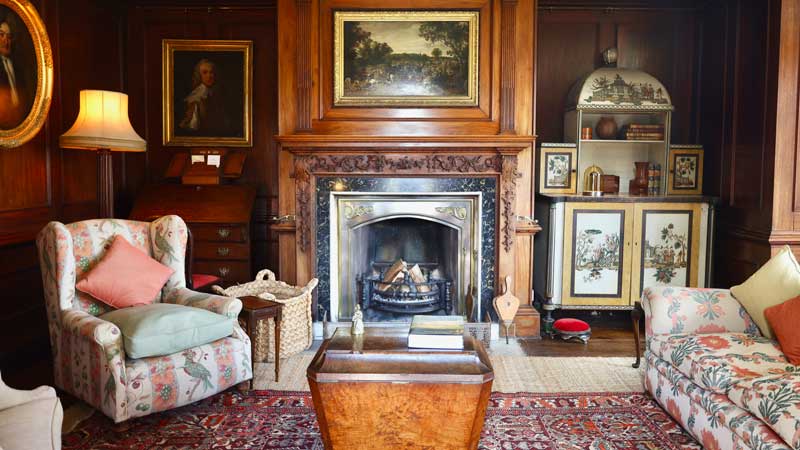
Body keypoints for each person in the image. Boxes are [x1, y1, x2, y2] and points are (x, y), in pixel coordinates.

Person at [178, 58, 231, 136]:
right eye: (205, 73)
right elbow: (193, 127)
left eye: (211, 72)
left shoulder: (218, 93)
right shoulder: (196, 98)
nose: (209, 76)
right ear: (199, 75)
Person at [0, 17, 26, 128]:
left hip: (18, 122)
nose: (6, 41)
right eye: (1, 35)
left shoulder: (18, 67)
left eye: (9, 37)